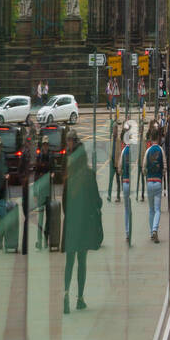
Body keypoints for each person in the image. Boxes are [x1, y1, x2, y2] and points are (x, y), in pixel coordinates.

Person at [62, 133, 102, 313]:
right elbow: (97, 201)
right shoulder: (89, 175)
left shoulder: (69, 176)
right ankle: (80, 298)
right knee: (82, 262)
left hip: (71, 223)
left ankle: (65, 295)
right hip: (84, 224)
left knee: (69, 262)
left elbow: (64, 202)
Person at [143, 123, 166, 242]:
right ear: (158, 138)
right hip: (157, 182)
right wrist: (161, 174)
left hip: (149, 182)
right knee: (157, 209)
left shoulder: (148, 151)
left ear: (151, 139)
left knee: (151, 209)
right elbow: (165, 167)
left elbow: (143, 167)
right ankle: (155, 230)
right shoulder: (161, 150)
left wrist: (147, 174)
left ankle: (151, 231)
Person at [33, 134, 54, 249]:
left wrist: (52, 173)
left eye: (47, 144)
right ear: (42, 145)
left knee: (49, 217)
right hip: (41, 190)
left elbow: (53, 169)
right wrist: (35, 193)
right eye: (44, 144)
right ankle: (39, 240)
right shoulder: (39, 156)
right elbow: (36, 175)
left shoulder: (51, 156)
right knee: (40, 217)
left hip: (48, 190)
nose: (45, 146)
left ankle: (46, 239)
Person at [107, 116, 122, 203]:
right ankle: (109, 195)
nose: (114, 131)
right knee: (110, 180)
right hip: (111, 162)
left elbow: (120, 153)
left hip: (117, 163)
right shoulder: (111, 138)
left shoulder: (119, 140)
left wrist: (119, 164)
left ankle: (118, 196)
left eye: (115, 129)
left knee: (118, 180)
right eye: (113, 129)